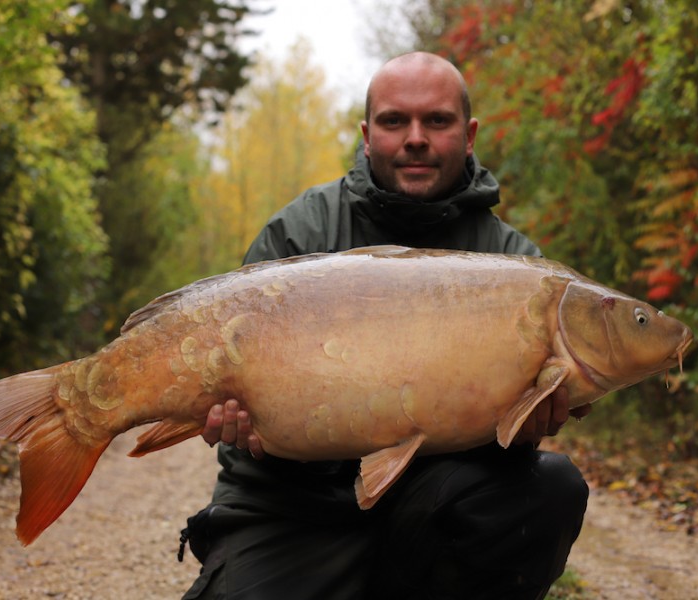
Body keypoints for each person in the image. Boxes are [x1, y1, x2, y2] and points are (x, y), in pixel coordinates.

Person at [181, 51, 591, 600]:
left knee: (550, 488)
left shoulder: (517, 266)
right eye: (395, 121)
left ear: (468, 135)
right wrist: (239, 427)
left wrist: (527, 426)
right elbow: (236, 400)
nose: (415, 137)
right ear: (367, 134)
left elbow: (505, 446)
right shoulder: (300, 232)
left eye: (437, 121)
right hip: (294, 509)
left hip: (432, 505)